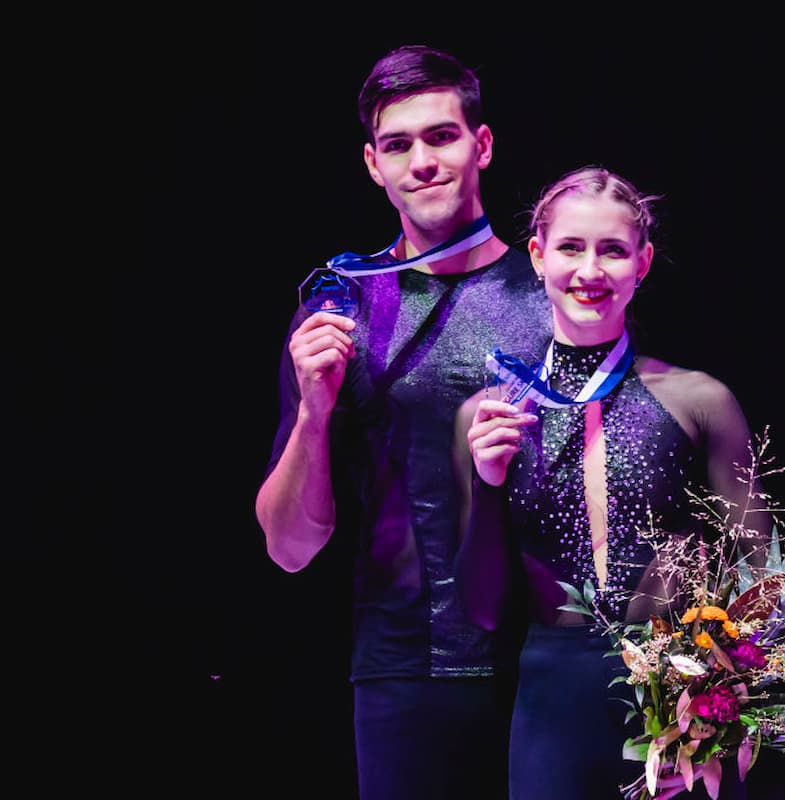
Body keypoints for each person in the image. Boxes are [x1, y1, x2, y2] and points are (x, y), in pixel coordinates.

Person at [255, 45, 551, 800]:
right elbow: (289, 547)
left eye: (441, 136)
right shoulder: (341, 310)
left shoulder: (555, 296)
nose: (422, 161)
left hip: (555, 661)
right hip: (404, 672)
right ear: (372, 164)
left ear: (481, 145)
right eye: (398, 145)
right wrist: (314, 413)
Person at [454, 166, 772, 799]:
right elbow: (483, 610)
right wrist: (489, 482)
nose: (590, 271)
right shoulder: (490, 416)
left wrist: (711, 716)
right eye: (571, 247)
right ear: (538, 256)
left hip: (679, 703)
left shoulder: (698, 400)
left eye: (613, 250)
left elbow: (760, 577)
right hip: (553, 708)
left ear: (643, 263)